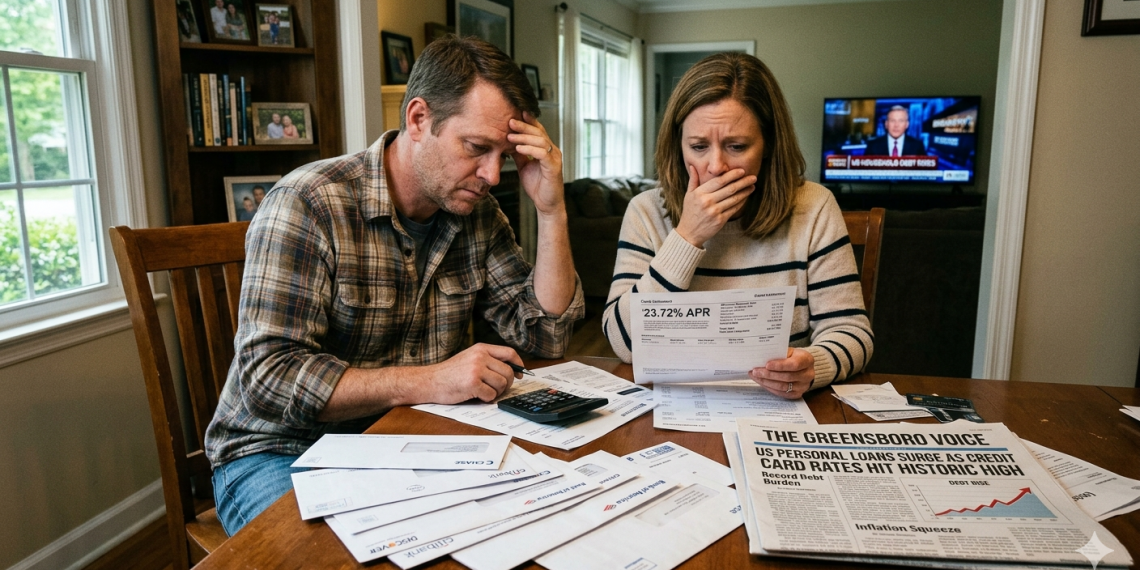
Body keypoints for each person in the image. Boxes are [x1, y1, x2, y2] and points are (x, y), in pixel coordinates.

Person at [205, 35, 583, 535]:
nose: (493, 175)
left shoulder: (478, 215)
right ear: (419, 119)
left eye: (503, 155)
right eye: (476, 148)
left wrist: (551, 211)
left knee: (516, 530)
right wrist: (432, 379)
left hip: (406, 438)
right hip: (277, 448)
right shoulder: (309, 203)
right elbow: (269, 377)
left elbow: (546, 336)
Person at [603, 52, 873, 400]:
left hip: (779, 406)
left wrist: (813, 365)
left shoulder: (814, 206)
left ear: (769, 146)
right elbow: (623, 344)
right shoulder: (645, 212)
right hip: (676, 404)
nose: (716, 166)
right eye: (698, 146)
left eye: (737, 146)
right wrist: (686, 237)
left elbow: (852, 331)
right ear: (678, 145)